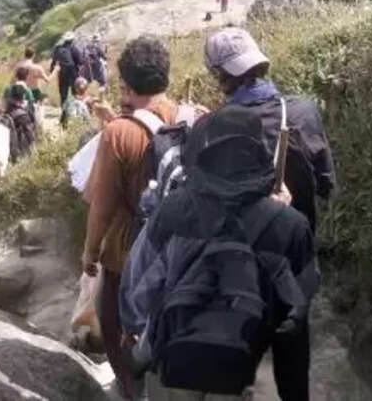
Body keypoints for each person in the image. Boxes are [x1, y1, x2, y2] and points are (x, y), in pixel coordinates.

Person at [121, 105, 318, 401]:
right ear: (261, 152)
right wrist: (295, 394)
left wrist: (140, 335)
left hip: (172, 367)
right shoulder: (290, 225)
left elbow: (136, 286)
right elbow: (294, 325)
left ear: (206, 150)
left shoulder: (174, 208)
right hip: (238, 373)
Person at [80, 35, 176, 400]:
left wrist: (90, 252)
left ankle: (132, 391)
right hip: (178, 245)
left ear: (127, 84)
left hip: (128, 252)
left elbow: (102, 205)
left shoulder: (119, 133)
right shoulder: (188, 115)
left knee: (117, 325)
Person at [203, 27, 335, 230]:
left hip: (242, 245)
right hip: (300, 239)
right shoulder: (303, 111)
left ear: (217, 74)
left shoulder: (211, 127)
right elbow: (325, 184)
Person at [51, 31, 84, 107]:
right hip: (73, 72)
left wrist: (52, 70)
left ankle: (64, 110)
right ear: (72, 40)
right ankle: (76, 109)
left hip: (62, 72)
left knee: (63, 92)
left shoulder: (58, 48)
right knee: (75, 91)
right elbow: (80, 61)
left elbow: (54, 60)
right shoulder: (74, 49)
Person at [6, 84, 37, 160]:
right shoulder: (22, 115)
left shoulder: (7, 109)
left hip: (7, 145)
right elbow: (29, 134)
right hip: (18, 148)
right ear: (23, 96)